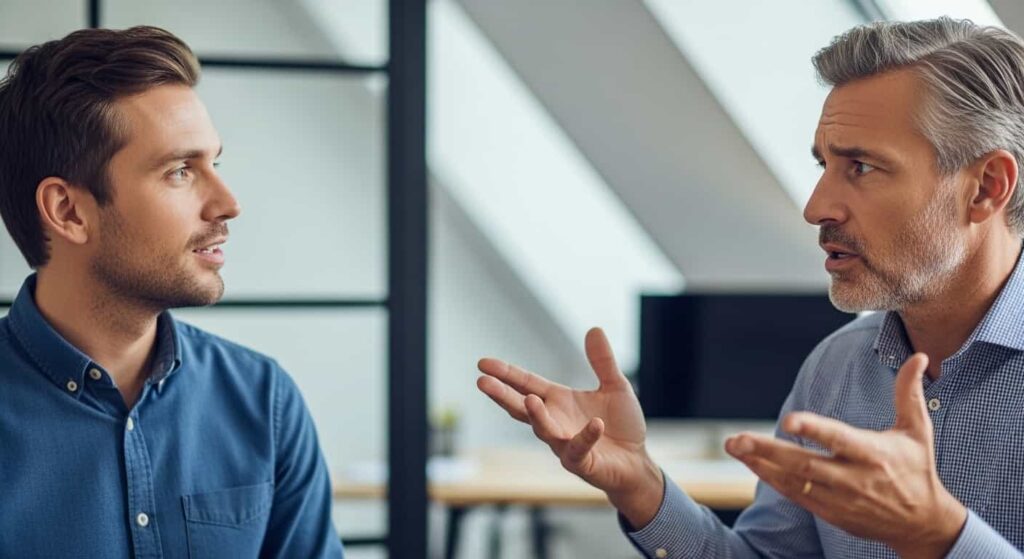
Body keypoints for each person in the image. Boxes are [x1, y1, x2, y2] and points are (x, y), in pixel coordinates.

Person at [477, 17, 1024, 558]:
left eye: (860, 167)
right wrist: (639, 483)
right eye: (823, 164)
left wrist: (939, 537)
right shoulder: (836, 370)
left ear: (986, 187)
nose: (816, 208)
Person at [0, 27, 344, 558]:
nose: (228, 203)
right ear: (68, 211)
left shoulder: (264, 400)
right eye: (181, 171)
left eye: (215, 164)